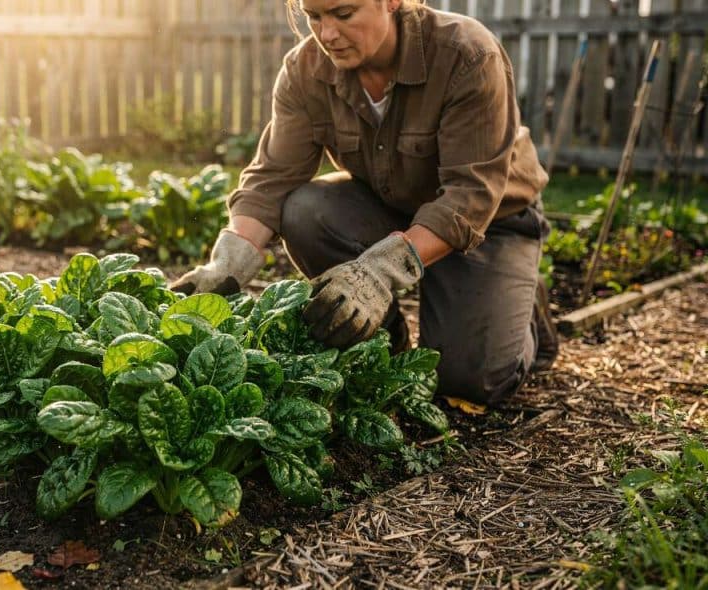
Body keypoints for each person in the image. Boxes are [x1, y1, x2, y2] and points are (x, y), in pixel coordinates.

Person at [171, 0, 558, 406]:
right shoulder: (305, 70)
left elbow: (469, 195)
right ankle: (382, 341)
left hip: (488, 223)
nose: (326, 35)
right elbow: (272, 179)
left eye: (343, 14)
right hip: (390, 209)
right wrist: (228, 263)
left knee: (468, 381)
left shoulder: (467, 54)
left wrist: (380, 271)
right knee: (304, 209)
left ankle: (523, 305)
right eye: (314, 17)